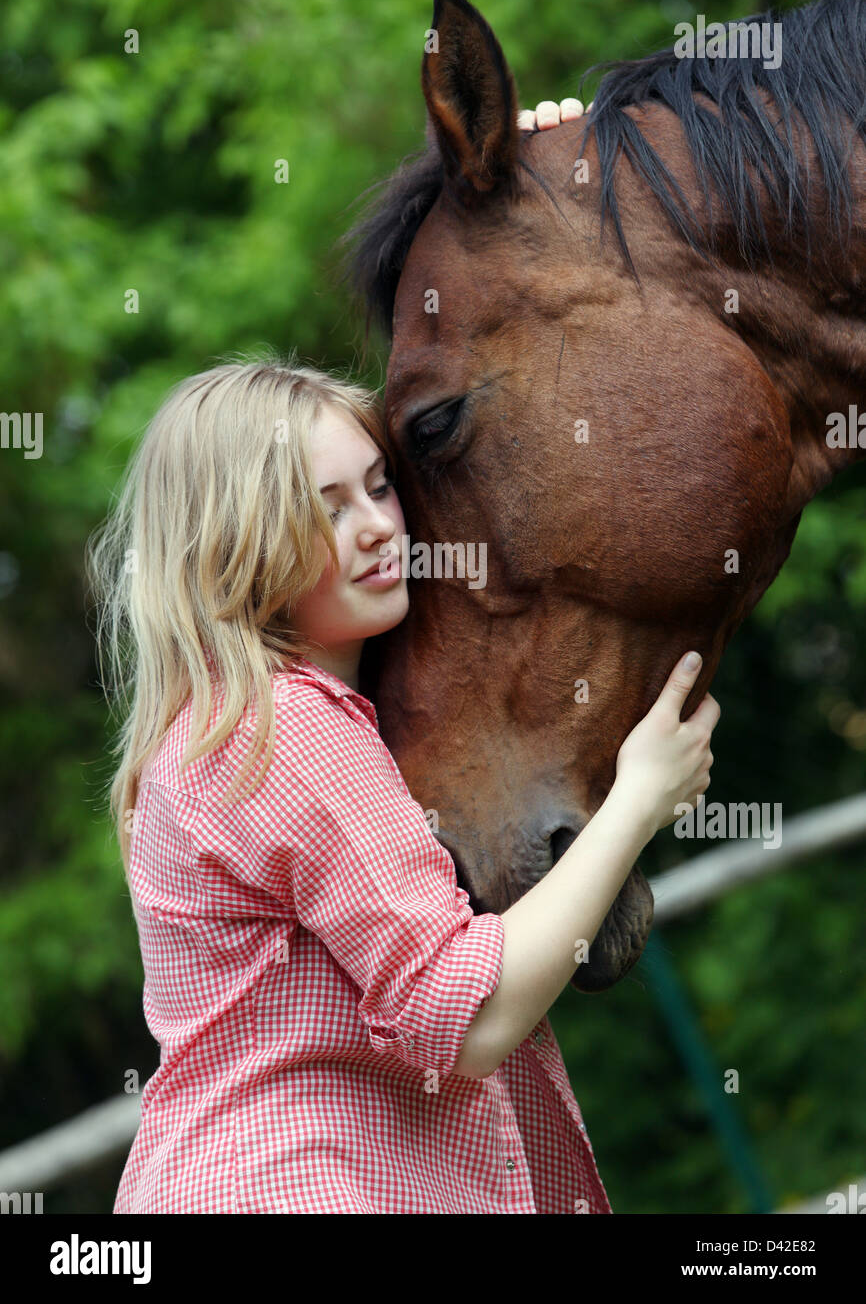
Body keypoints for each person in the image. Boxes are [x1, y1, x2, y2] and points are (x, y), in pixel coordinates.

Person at [87, 100, 719, 1215]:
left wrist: (533, 170)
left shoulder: (232, 725)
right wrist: (639, 798)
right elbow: (464, 1015)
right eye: (325, 507)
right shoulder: (287, 733)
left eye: (380, 485)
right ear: (237, 546)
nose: (380, 525)